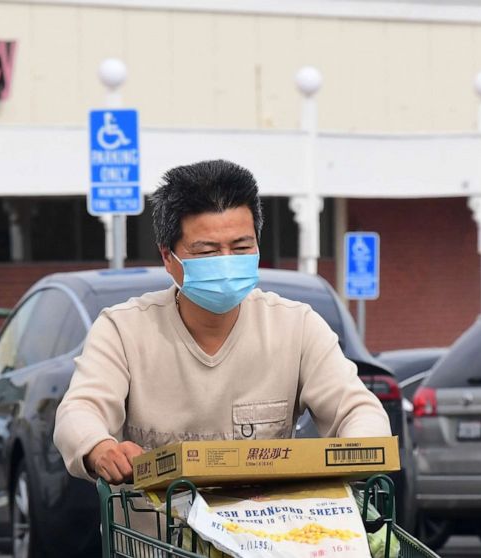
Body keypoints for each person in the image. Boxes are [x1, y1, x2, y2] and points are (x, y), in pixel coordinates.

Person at [53, 160, 391, 484]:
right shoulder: (123, 331)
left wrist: (359, 450)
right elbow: (80, 410)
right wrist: (101, 448)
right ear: (167, 258)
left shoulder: (297, 327)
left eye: (241, 246)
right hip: (154, 539)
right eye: (207, 251)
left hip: (264, 536)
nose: (227, 262)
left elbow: (355, 408)